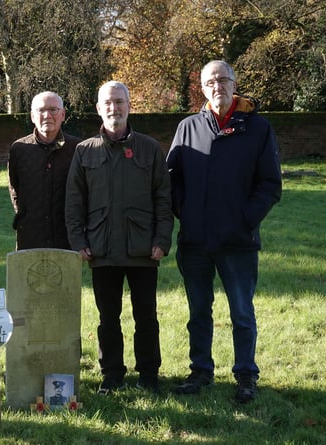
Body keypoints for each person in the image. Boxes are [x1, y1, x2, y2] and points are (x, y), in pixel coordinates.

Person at [167, 60, 282, 403]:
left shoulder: (258, 128)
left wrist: (246, 219)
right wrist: (185, 213)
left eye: (222, 79)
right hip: (195, 241)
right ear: (201, 89)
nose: (217, 86)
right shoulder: (187, 127)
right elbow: (171, 179)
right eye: (209, 82)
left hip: (238, 240)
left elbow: (270, 185)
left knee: (242, 313)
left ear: (235, 83)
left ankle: (245, 374)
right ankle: (200, 370)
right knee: (199, 311)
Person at [65, 81, 173, 394]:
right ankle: (111, 376)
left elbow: (163, 198)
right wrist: (78, 241)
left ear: (129, 106)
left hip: (142, 248)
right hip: (101, 249)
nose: (115, 108)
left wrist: (162, 240)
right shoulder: (84, 151)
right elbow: (74, 203)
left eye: (120, 102)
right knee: (107, 318)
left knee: (146, 317)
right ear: (99, 108)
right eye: (108, 103)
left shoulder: (149, 148)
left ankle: (149, 376)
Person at [8, 91, 81, 249]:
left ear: (63, 114)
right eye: (41, 110)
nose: (47, 115)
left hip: (67, 237)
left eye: (53, 110)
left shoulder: (78, 149)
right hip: (30, 236)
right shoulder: (19, 149)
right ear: (32, 116)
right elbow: (15, 191)